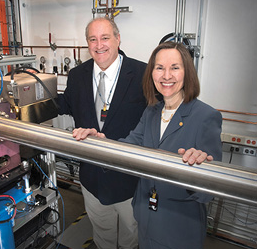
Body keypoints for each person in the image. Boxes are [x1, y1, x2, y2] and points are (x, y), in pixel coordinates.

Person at [73, 41, 222, 249]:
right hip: (145, 218)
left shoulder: (206, 116)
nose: (166, 76)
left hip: (177, 227)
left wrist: (199, 170)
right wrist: (100, 142)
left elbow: (209, 191)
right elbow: (128, 148)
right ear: (152, 73)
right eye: (159, 68)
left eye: (175, 68)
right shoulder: (152, 112)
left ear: (187, 73)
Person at [58, 16, 147, 248]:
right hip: (92, 179)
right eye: (93, 39)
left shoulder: (142, 74)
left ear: (118, 39)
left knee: (132, 235)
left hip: (130, 179)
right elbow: (65, 104)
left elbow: (155, 121)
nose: (99, 45)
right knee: (103, 234)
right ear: (87, 43)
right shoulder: (77, 75)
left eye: (105, 38)